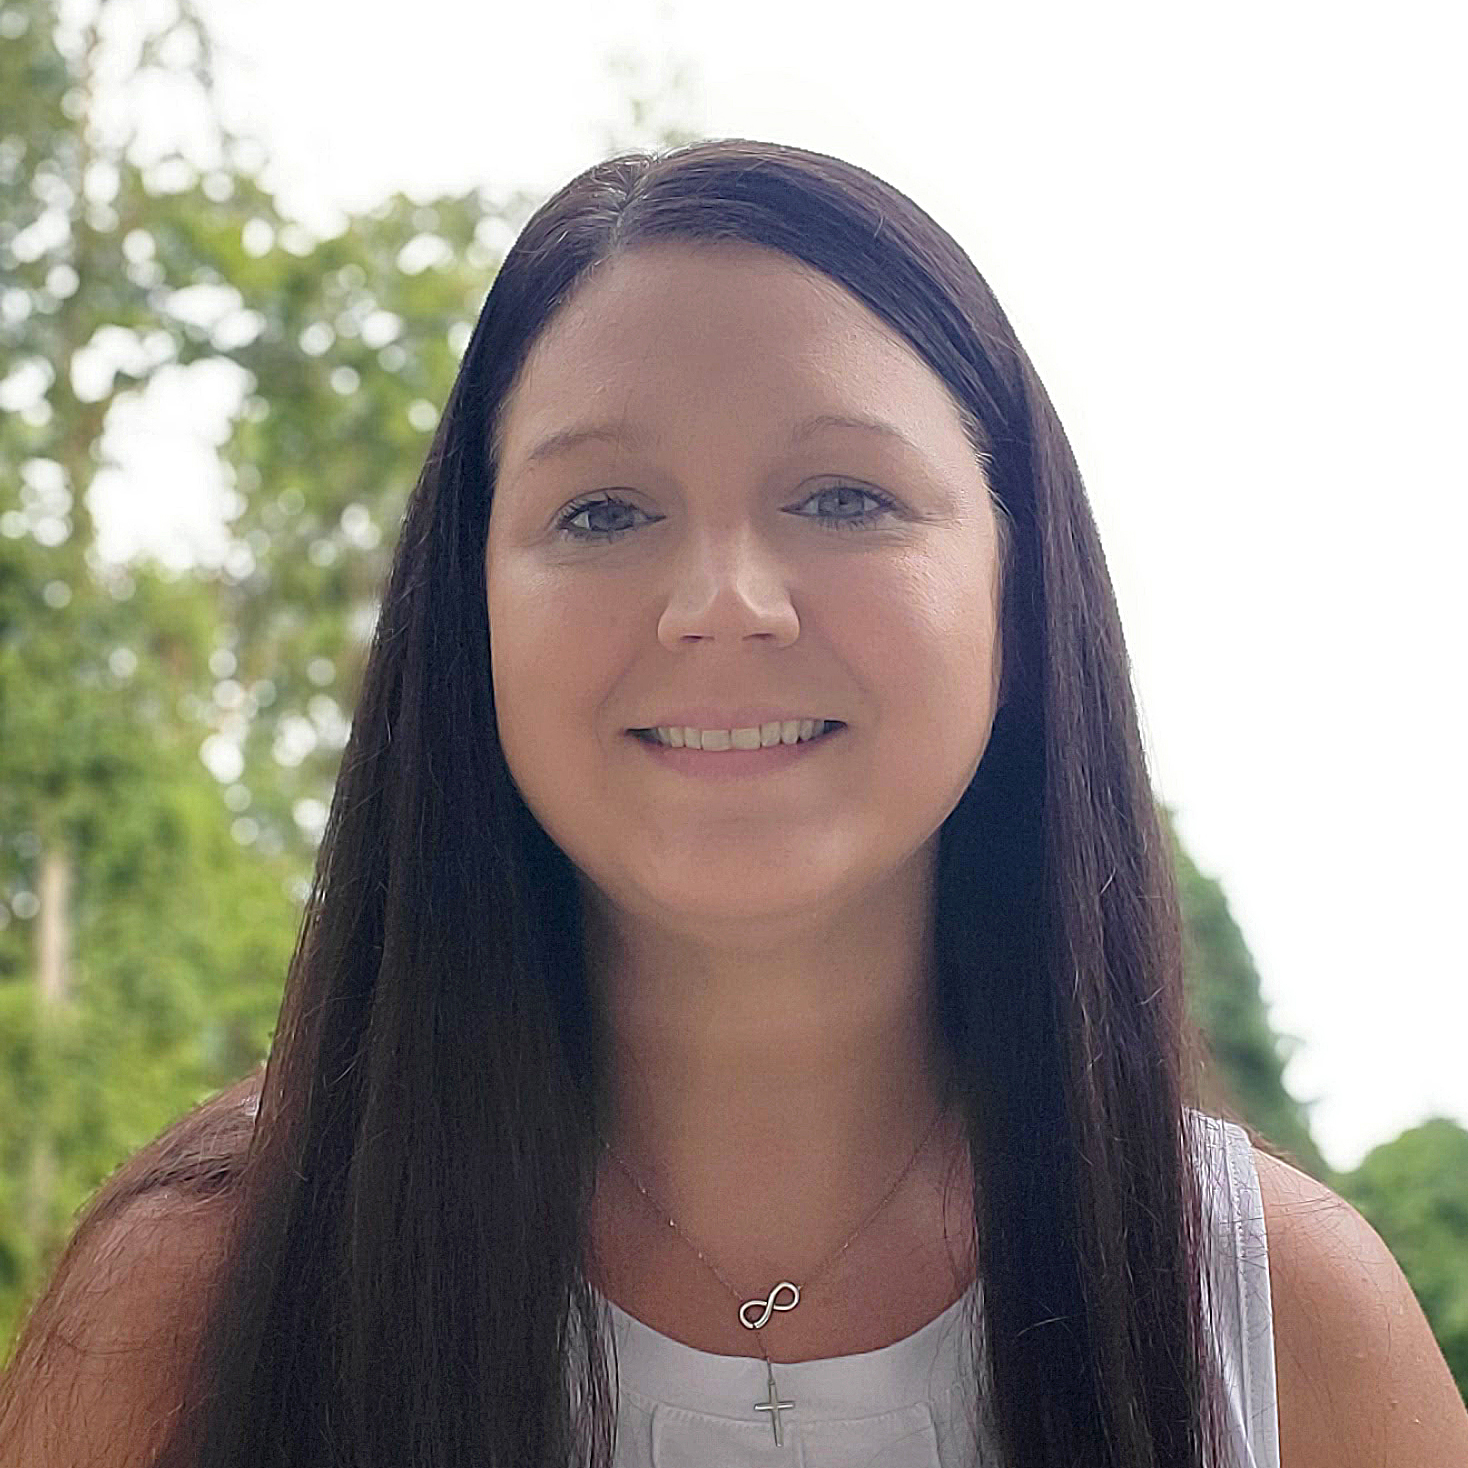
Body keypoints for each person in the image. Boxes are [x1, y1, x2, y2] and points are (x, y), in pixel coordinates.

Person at [1, 138, 1464, 1468]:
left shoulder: (1287, 1332)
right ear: (473, 622)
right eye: (603, 512)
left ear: (1020, 594)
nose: (723, 604)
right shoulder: (201, 1300)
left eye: (841, 498)